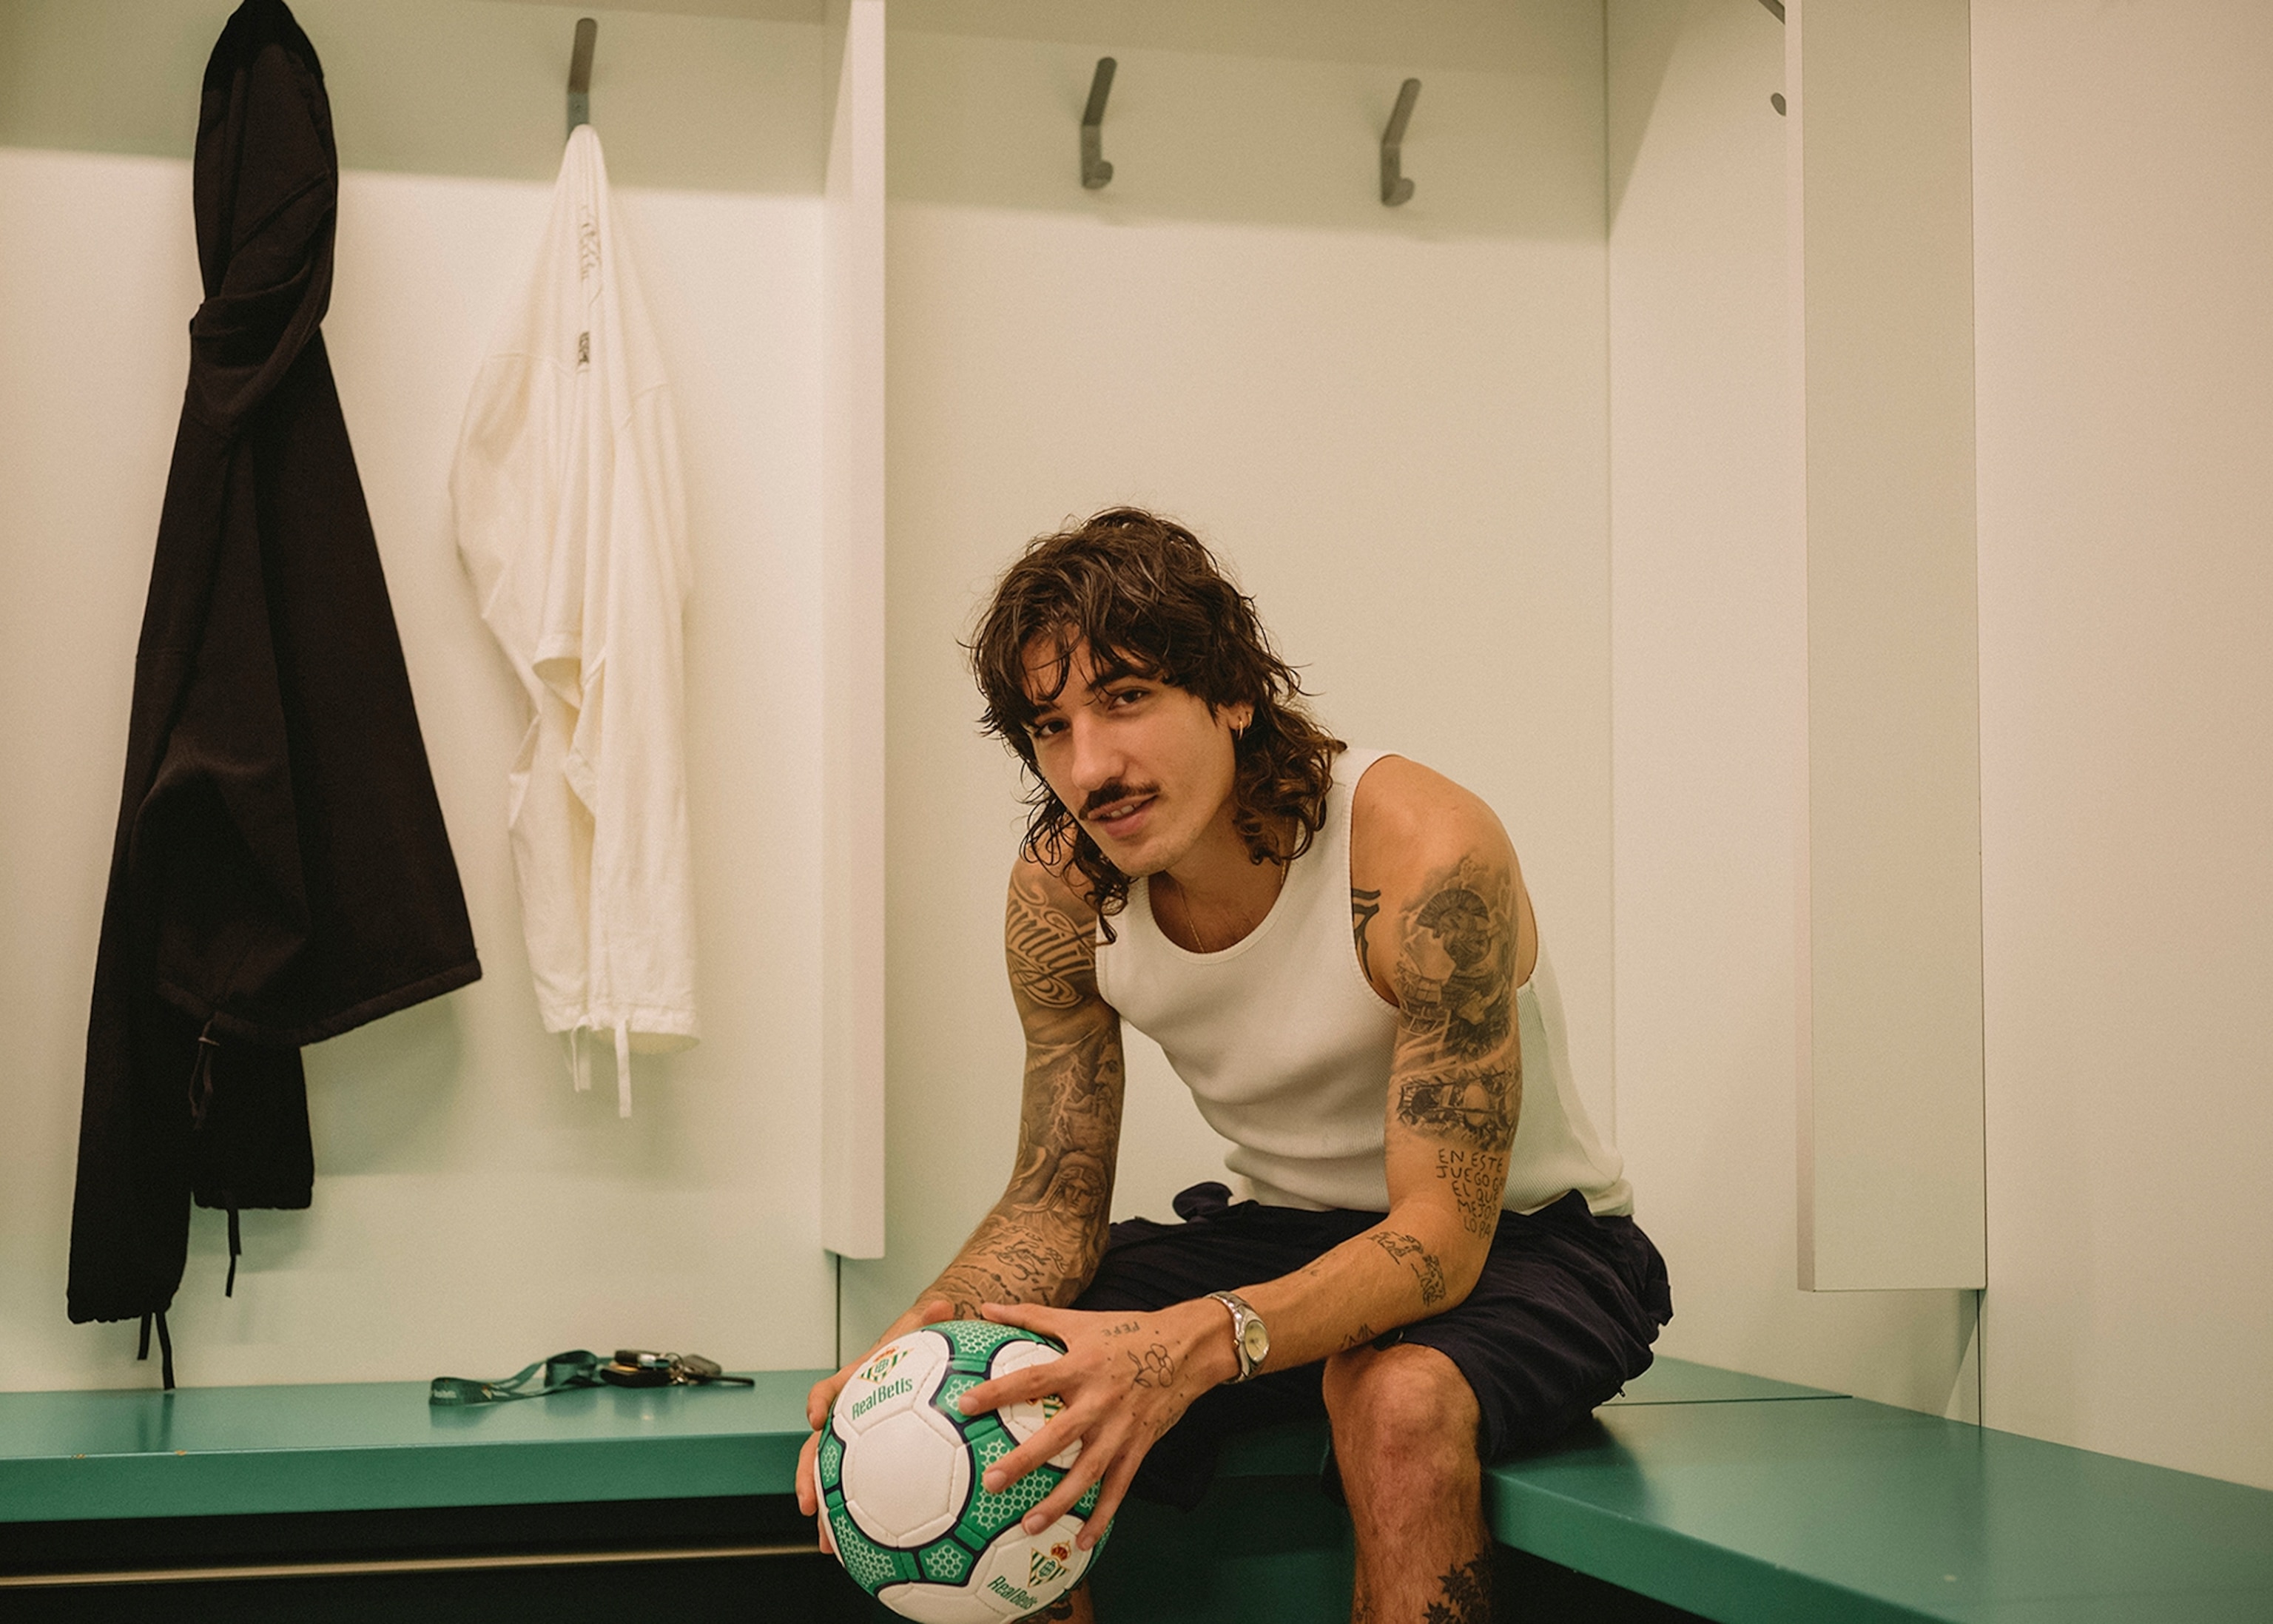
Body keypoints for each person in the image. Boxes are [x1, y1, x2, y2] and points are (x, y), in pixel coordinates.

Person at [798, 508, 1671, 1623]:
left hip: (1525, 1238)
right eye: (1050, 727)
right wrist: (915, 1353)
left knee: (1393, 1394)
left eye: (1123, 699)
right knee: (993, 1382)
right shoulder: (1062, 891)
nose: (1091, 766)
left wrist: (1187, 1348)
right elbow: (1054, 1200)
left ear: (1232, 692)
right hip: (1286, 1225)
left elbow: (1440, 1246)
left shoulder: (1424, 854)